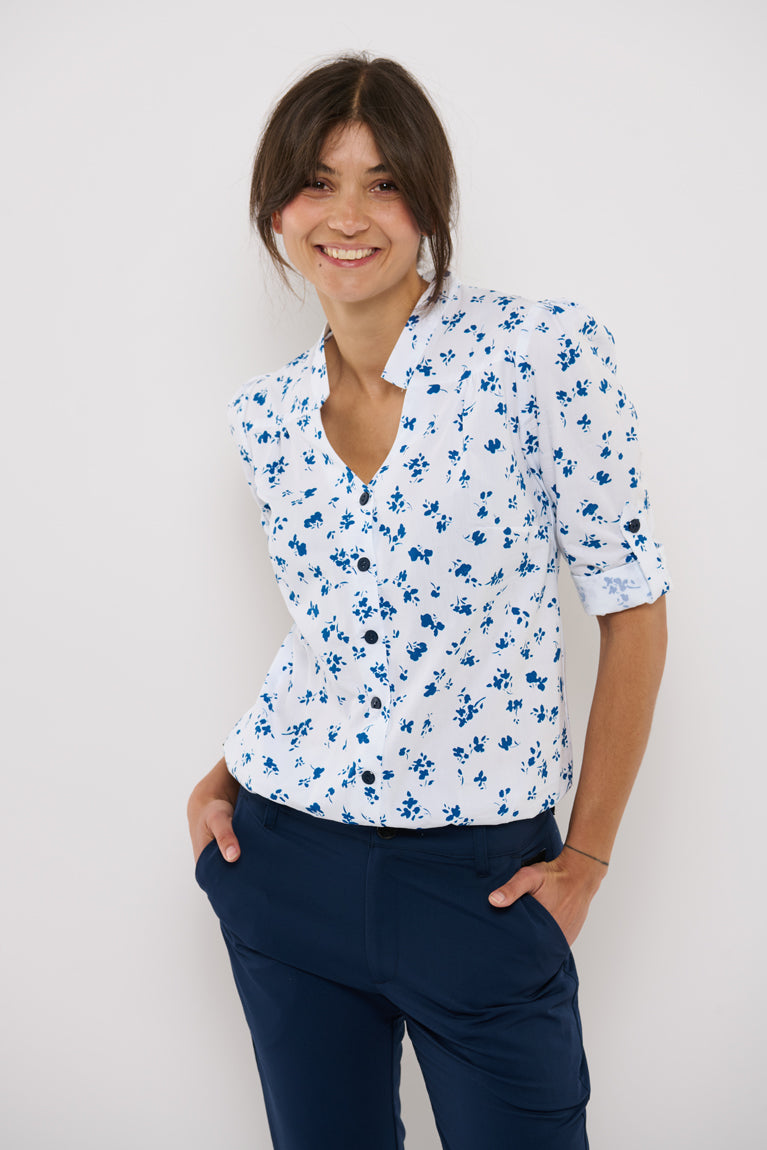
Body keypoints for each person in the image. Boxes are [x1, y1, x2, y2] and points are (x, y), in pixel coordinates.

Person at [188, 54, 669, 1150]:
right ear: (275, 209)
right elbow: (335, 634)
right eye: (316, 182)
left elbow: (631, 604)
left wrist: (586, 858)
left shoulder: (542, 353)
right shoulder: (264, 417)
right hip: (284, 863)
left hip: (480, 886)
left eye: (384, 182)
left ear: (429, 202)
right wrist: (224, 778)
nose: (347, 216)